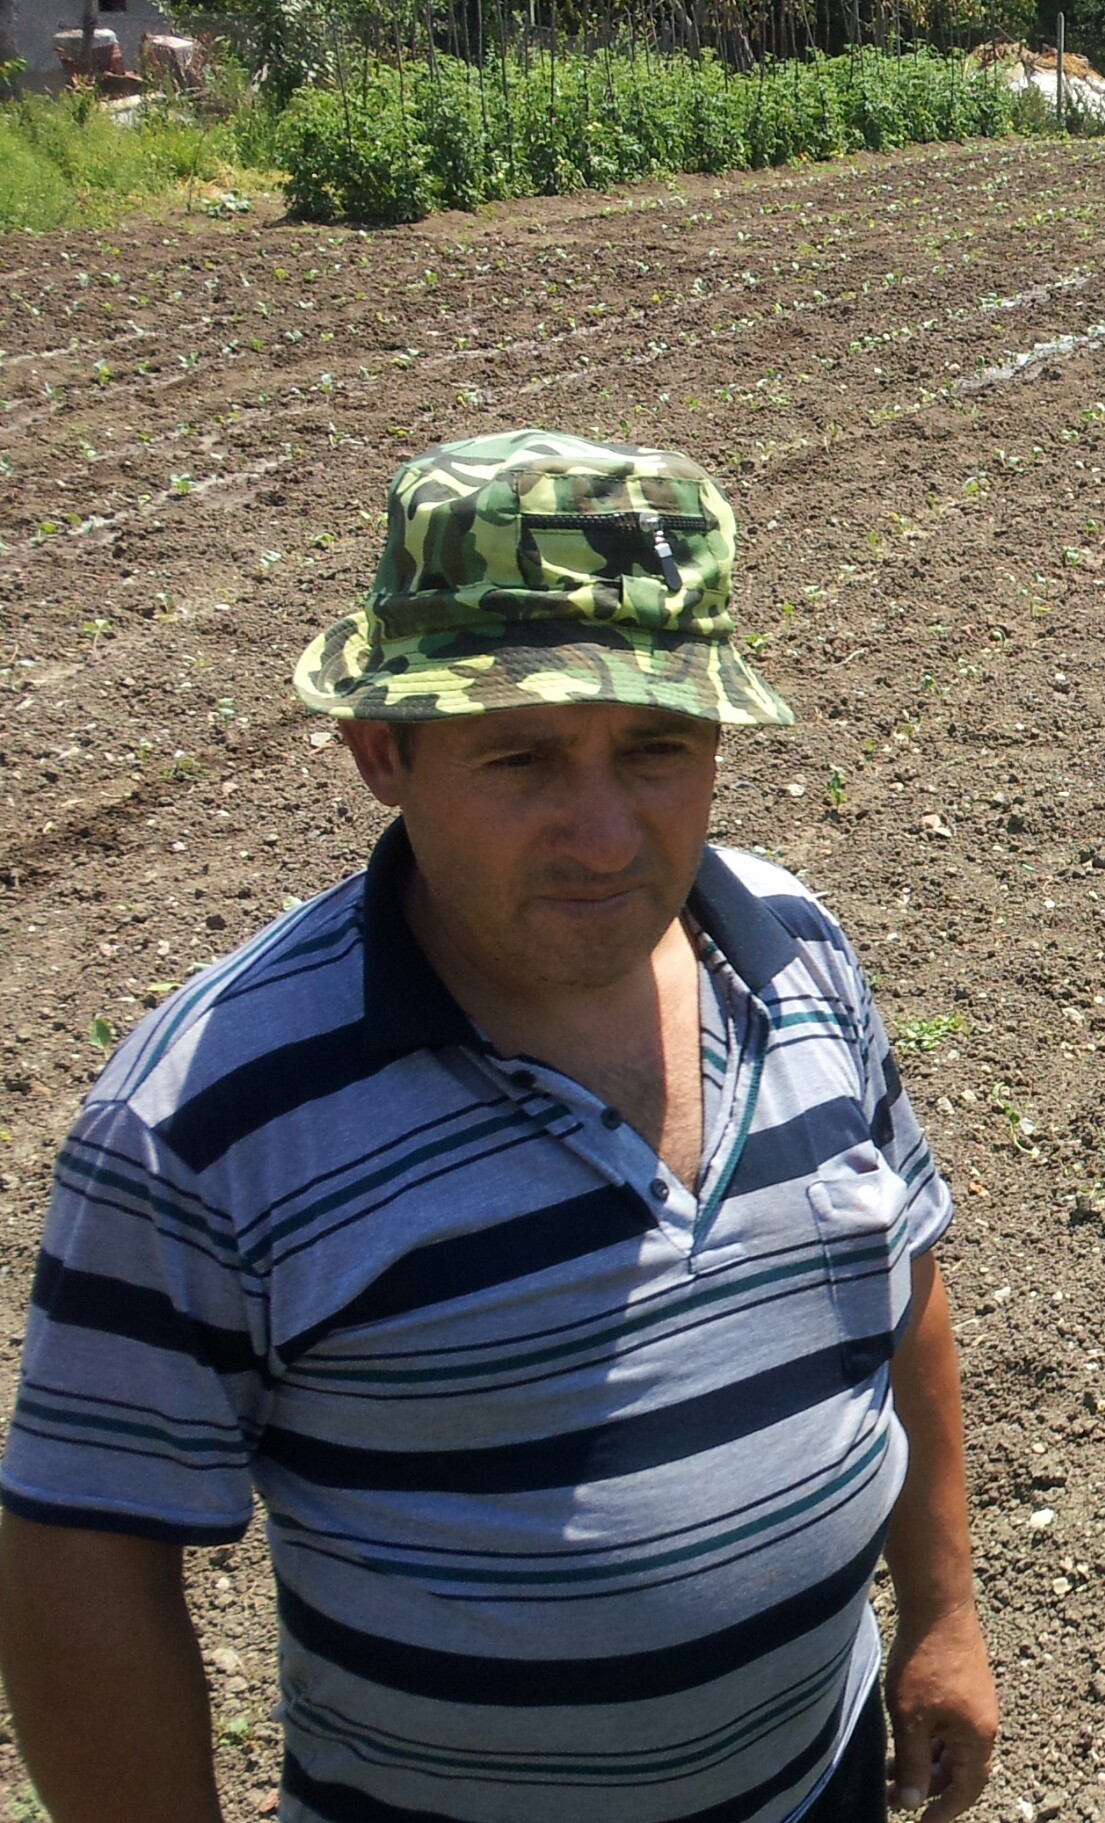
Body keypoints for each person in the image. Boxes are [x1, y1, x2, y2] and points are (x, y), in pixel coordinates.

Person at [0, 430, 999, 1823]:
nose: (603, 831)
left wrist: (942, 1610)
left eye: (656, 748)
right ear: (380, 752)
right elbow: (83, 1542)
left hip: (816, 1780)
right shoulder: (206, 1114)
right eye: (521, 756)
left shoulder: (794, 950)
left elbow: (903, 1281)